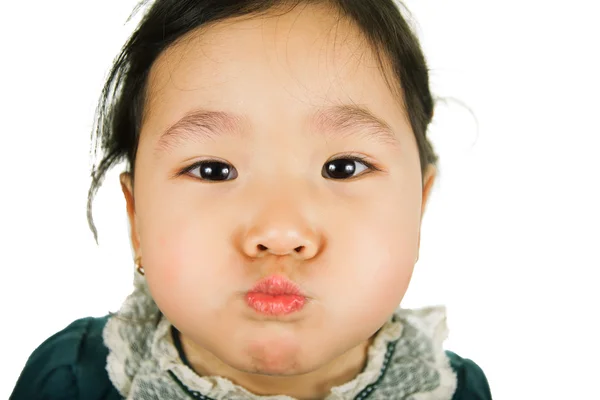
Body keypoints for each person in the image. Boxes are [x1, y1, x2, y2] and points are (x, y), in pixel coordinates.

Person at [11, 0, 492, 399]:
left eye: (342, 168)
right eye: (213, 170)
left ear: (419, 208)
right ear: (136, 218)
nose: (279, 233)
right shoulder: (70, 380)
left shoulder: (452, 390)